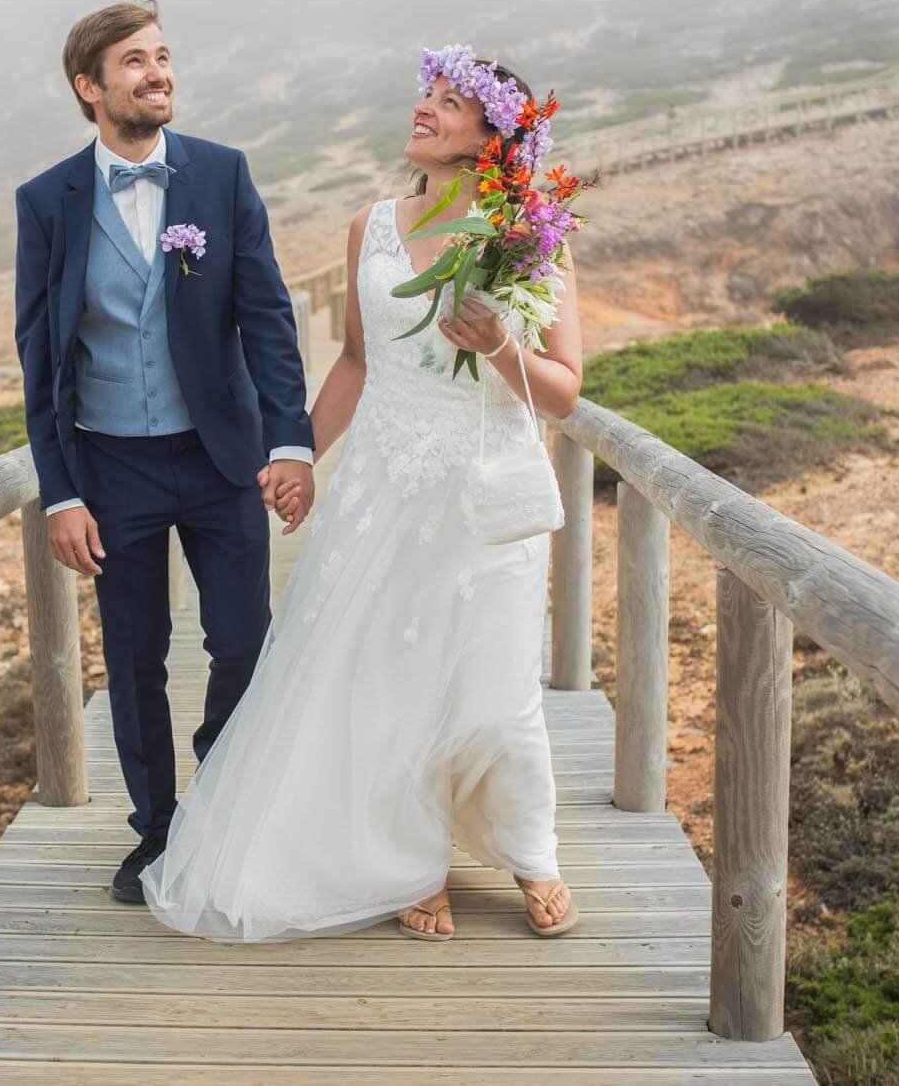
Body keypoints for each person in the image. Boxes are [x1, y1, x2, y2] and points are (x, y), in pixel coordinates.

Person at [139, 49, 585, 942]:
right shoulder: (370, 226)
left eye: (450, 101)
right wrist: (299, 450)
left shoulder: (527, 235)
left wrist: (499, 344)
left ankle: (532, 849)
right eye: (427, 92)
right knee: (386, 680)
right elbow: (355, 358)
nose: (424, 107)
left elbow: (565, 387)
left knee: (496, 688)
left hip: (482, 488)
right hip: (384, 484)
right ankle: (409, 859)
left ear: (492, 137)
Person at [12, 0, 317, 904]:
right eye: (136, 62)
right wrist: (59, 492)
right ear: (89, 86)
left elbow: (265, 316)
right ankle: (156, 829)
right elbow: (39, 361)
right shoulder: (47, 202)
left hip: (220, 457)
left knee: (242, 641)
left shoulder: (221, 177)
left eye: (163, 57)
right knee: (136, 656)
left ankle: (221, 798)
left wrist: (289, 439)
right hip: (111, 471)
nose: (158, 74)